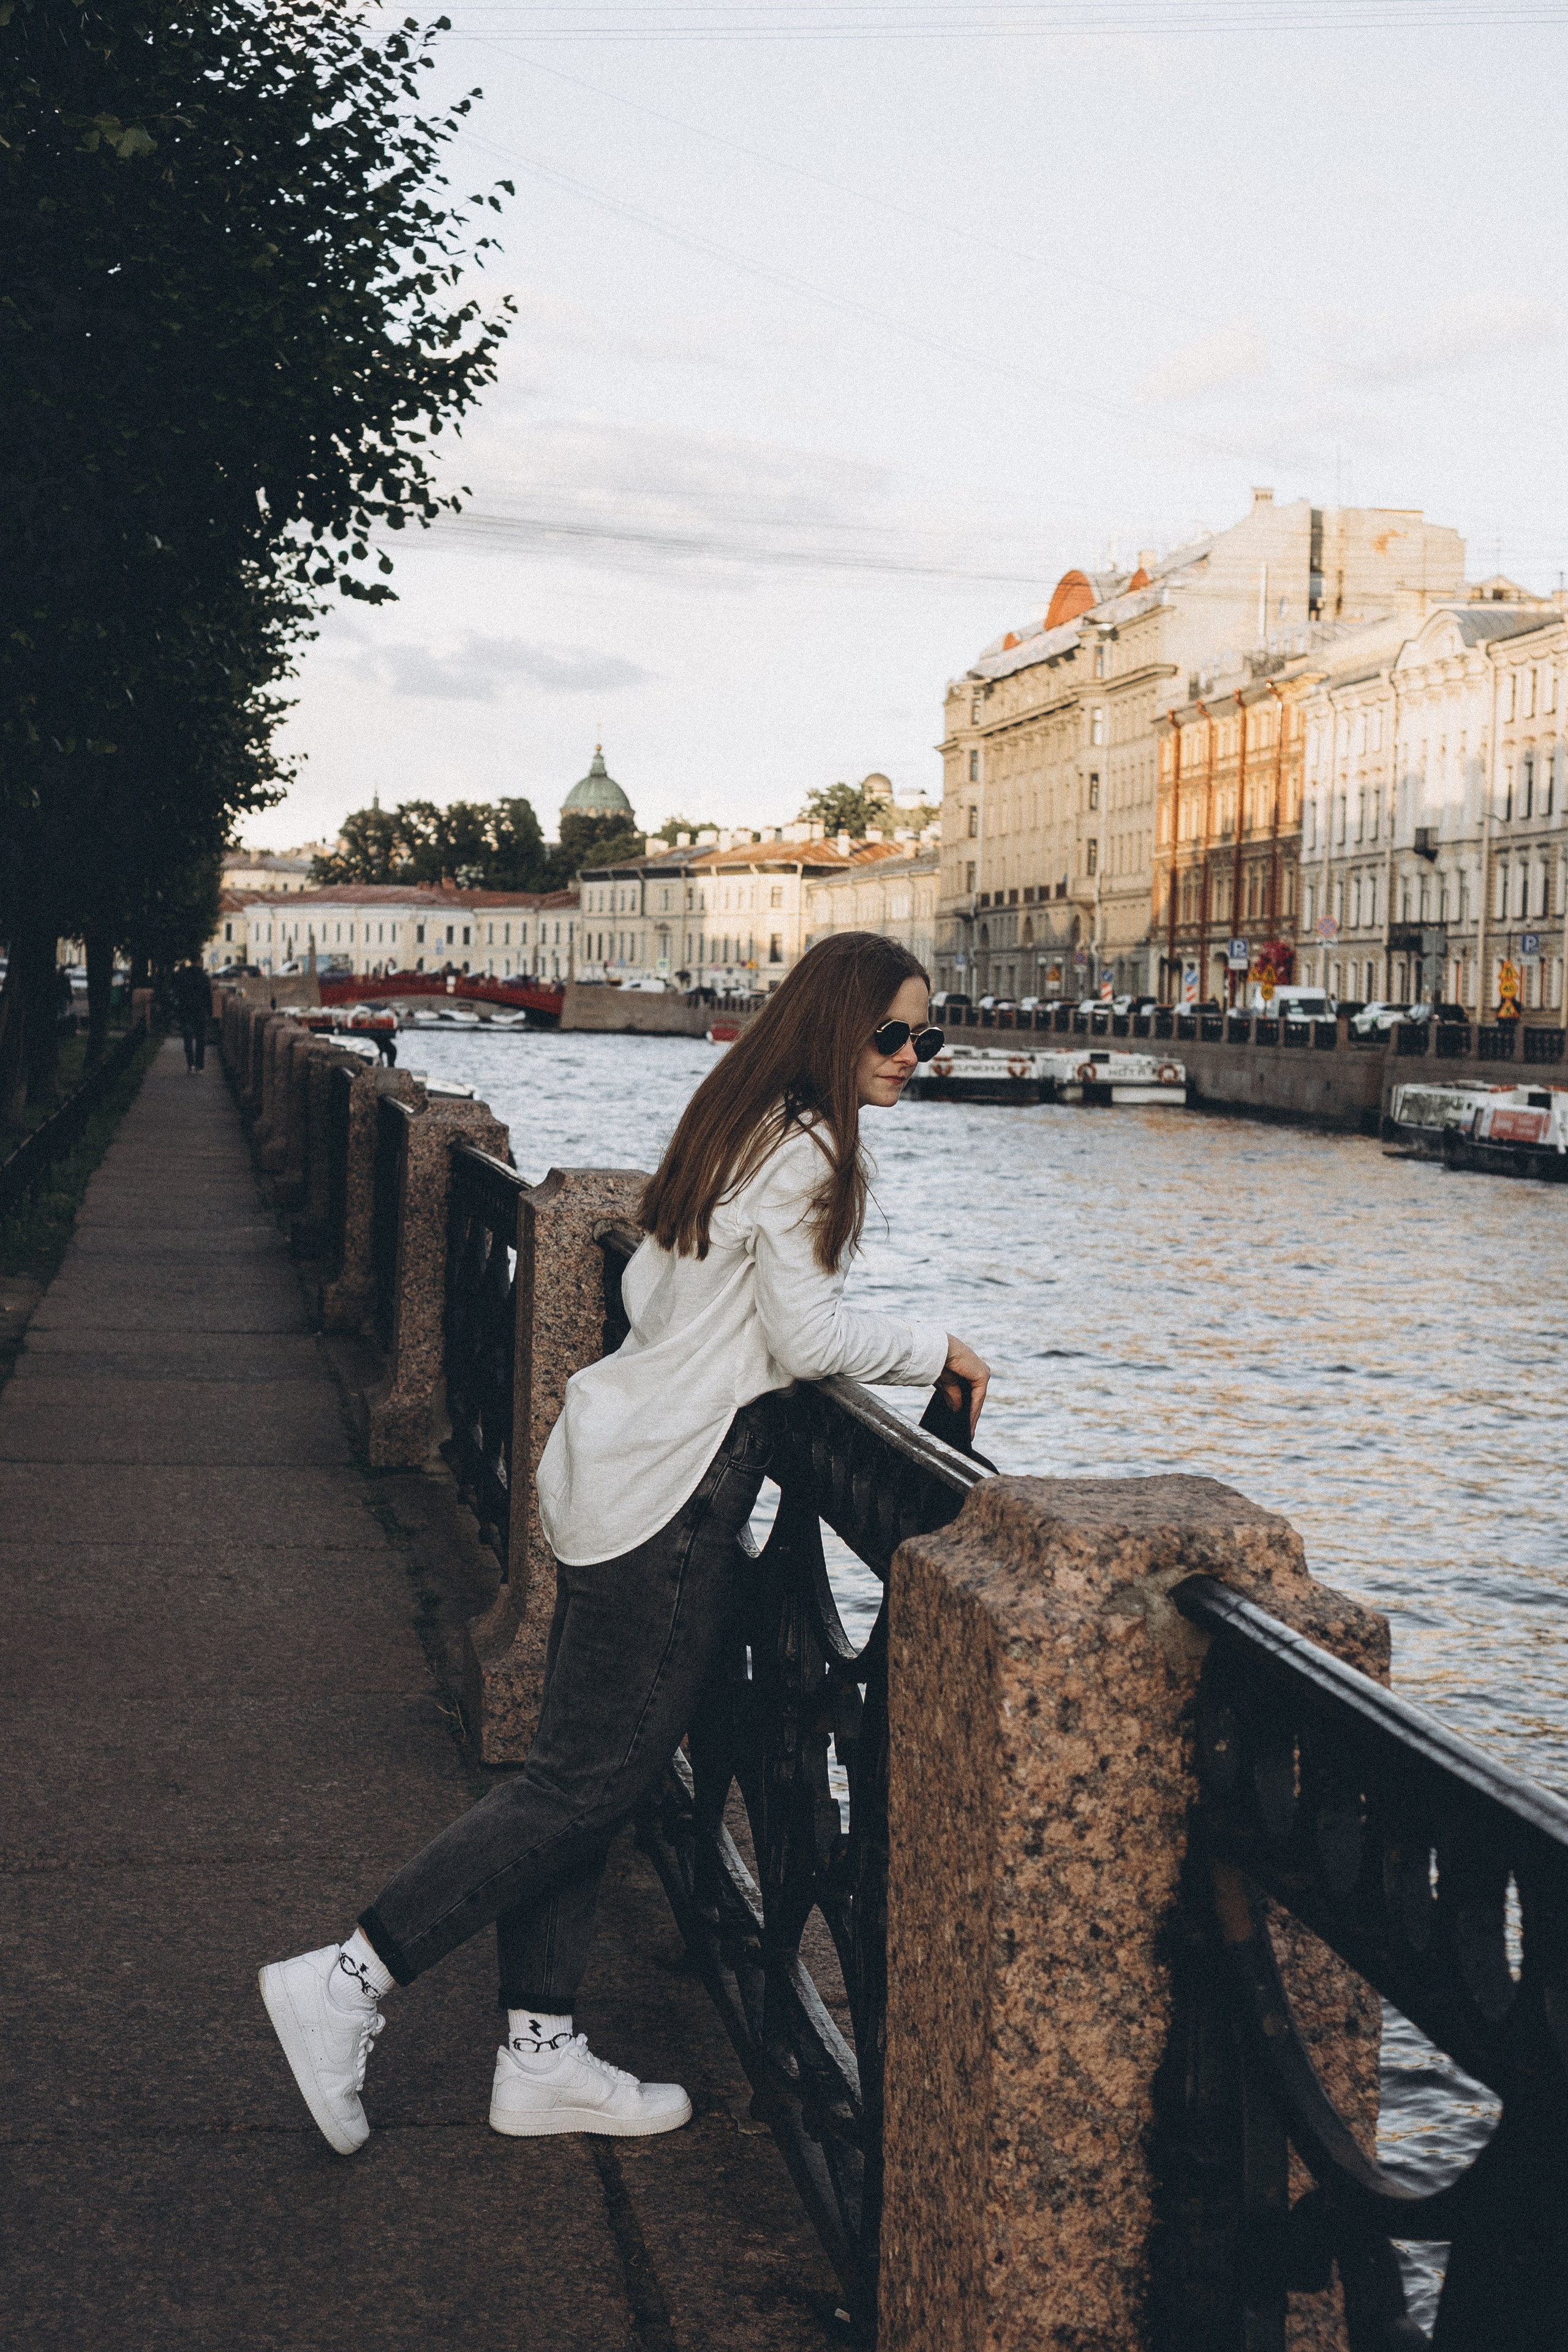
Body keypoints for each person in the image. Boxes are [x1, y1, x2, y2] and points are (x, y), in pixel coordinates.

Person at [258, 932, 989, 2155]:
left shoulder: (736, 1120)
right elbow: (805, 1340)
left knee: (580, 1775)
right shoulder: (809, 1148)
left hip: (610, 1465)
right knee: (585, 1782)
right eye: (892, 1035)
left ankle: (539, 2053)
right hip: (670, 1495)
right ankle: (346, 1981)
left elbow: (655, 1296)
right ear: (832, 1028)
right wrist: (943, 1351)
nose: (913, 1056)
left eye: (926, 1035)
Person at [172, 961, 210, 1072]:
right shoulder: (204, 977)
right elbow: (208, 996)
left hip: (186, 1011)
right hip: (200, 1011)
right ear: (199, 961)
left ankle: (190, 1064)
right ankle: (199, 1065)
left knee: (188, 1038)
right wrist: (210, 1012)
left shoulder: (183, 976)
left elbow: (178, 993)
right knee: (200, 1039)